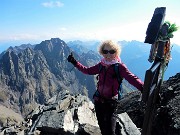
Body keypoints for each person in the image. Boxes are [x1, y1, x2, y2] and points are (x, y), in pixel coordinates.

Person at [67, 40, 144, 135]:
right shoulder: (101, 65)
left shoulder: (120, 67)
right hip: (99, 101)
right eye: (105, 51)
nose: (108, 54)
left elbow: (132, 78)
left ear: (116, 52)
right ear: (101, 52)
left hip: (111, 103)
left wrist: (144, 88)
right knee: (103, 128)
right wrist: (74, 62)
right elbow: (87, 71)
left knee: (110, 131)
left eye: (111, 51)